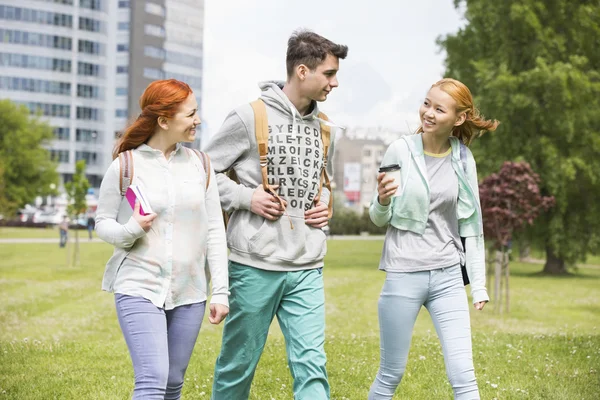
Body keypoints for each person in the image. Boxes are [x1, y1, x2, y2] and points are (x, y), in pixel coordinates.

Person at [204, 29, 348, 400]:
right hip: (254, 264)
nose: (335, 82)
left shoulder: (326, 127)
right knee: (238, 363)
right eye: (329, 74)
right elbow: (202, 174)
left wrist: (325, 203)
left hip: (306, 265)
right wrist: (244, 197)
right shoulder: (248, 117)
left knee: (312, 365)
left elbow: (322, 183)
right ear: (302, 71)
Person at [95, 79, 229, 400]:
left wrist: (220, 291)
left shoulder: (202, 165)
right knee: (152, 379)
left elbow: (214, 229)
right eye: (190, 114)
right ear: (164, 120)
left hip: (189, 291)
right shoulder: (126, 166)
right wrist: (131, 230)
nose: (197, 120)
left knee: (172, 382)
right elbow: (102, 223)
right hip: (138, 285)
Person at [368, 78, 498, 400]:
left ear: (458, 118)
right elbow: (379, 218)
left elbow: (472, 224)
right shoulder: (400, 150)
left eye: (439, 109)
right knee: (390, 374)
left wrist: (478, 285)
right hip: (403, 273)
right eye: (427, 103)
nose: (428, 113)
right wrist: (382, 200)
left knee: (464, 376)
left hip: (448, 275)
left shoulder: (464, 159)